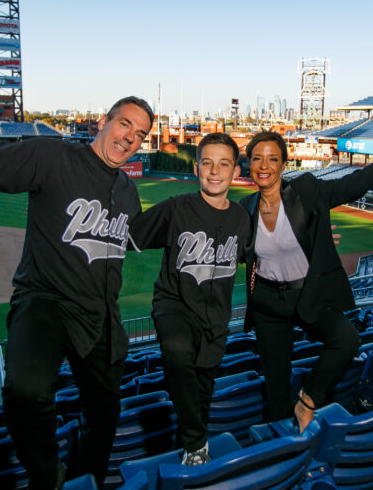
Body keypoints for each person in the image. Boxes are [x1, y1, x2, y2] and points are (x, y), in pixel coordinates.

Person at [0, 96, 154, 489]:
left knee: (105, 415)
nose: (130, 138)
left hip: (101, 314)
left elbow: (145, 236)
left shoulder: (127, 190)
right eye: (125, 124)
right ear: (104, 121)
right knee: (24, 389)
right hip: (46, 300)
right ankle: (47, 479)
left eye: (140, 135)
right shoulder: (53, 156)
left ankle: (84, 481)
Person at [129, 133, 251, 465]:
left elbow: (259, 257)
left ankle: (189, 451)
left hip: (215, 320)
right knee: (178, 351)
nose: (214, 171)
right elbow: (126, 236)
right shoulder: (176, 208)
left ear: (234, 169)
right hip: (174, 304)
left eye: (223, 164)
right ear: (197, 167)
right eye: (207, 163)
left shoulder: (242, 218)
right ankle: (196, 443)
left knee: (201, 395)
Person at [240, 131, 373, 433]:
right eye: (257, 158)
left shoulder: (307, 190)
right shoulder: (244, 209)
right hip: (267, 302)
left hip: (308, 294)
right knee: (275, 381)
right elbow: (233, 252)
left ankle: (309, 399)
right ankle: (281, 447)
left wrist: (320, 235)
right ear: (248, 164)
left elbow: (354, 185)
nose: (264, 165)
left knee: (347, 340)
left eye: (272, 159)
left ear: (284, 164)